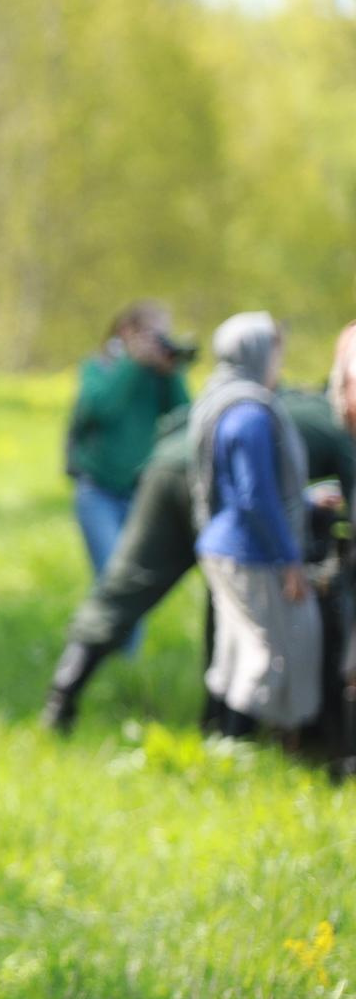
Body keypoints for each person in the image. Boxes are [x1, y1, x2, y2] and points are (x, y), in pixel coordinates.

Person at [40, 348, 356, 739]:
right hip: (219, 488)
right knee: (241, 603)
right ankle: (225, 730)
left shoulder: (289, 398)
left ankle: (61, 699)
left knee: (126, 588)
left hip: (170, 463)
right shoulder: (343, 427)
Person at [191, 312, 322, 738]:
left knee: (236, 649)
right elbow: (254, 497)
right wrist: (289, 559)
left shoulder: (219, 397)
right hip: (250, 550)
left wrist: (304, 501)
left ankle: (220, 735)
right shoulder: (249, 412)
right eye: (274, 351)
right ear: (257, 353)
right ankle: (237, 742)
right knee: (270, 652)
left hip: (224, 543)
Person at [65, 300, 192, 645]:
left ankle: (123, 666)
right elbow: (98, 410)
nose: (159, 342)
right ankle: (89, 652)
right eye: (153, 334)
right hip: (98, 492)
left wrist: (171, 374)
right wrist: (132, 366)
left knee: (131, 582)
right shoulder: (99, 367)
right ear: (126, 332)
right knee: (111, 578)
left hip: (139, 493)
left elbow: (185, 420)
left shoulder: (158, 377)